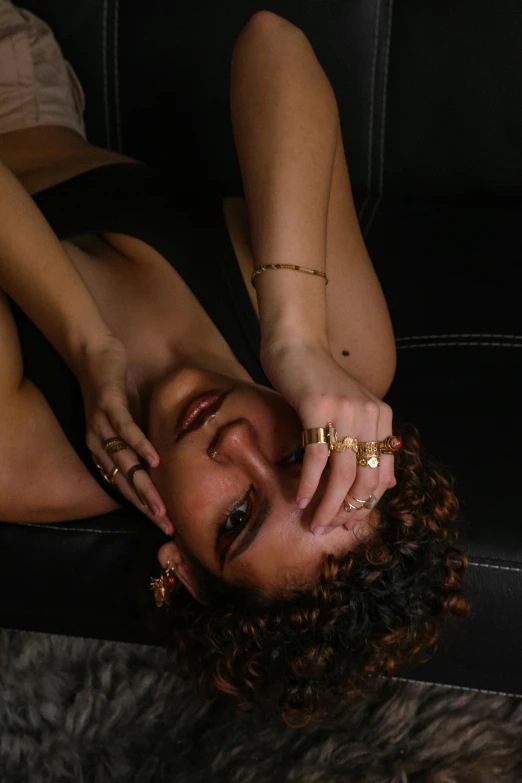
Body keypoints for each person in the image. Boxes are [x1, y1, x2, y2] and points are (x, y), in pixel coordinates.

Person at [0, 3, 469, 726]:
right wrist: (293, 336)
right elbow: (273, 42)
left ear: (181, 568)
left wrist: (87, 343)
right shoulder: (341, 350)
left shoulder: (25, 461)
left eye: (239, 516)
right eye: (293, 454)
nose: (235, 443)